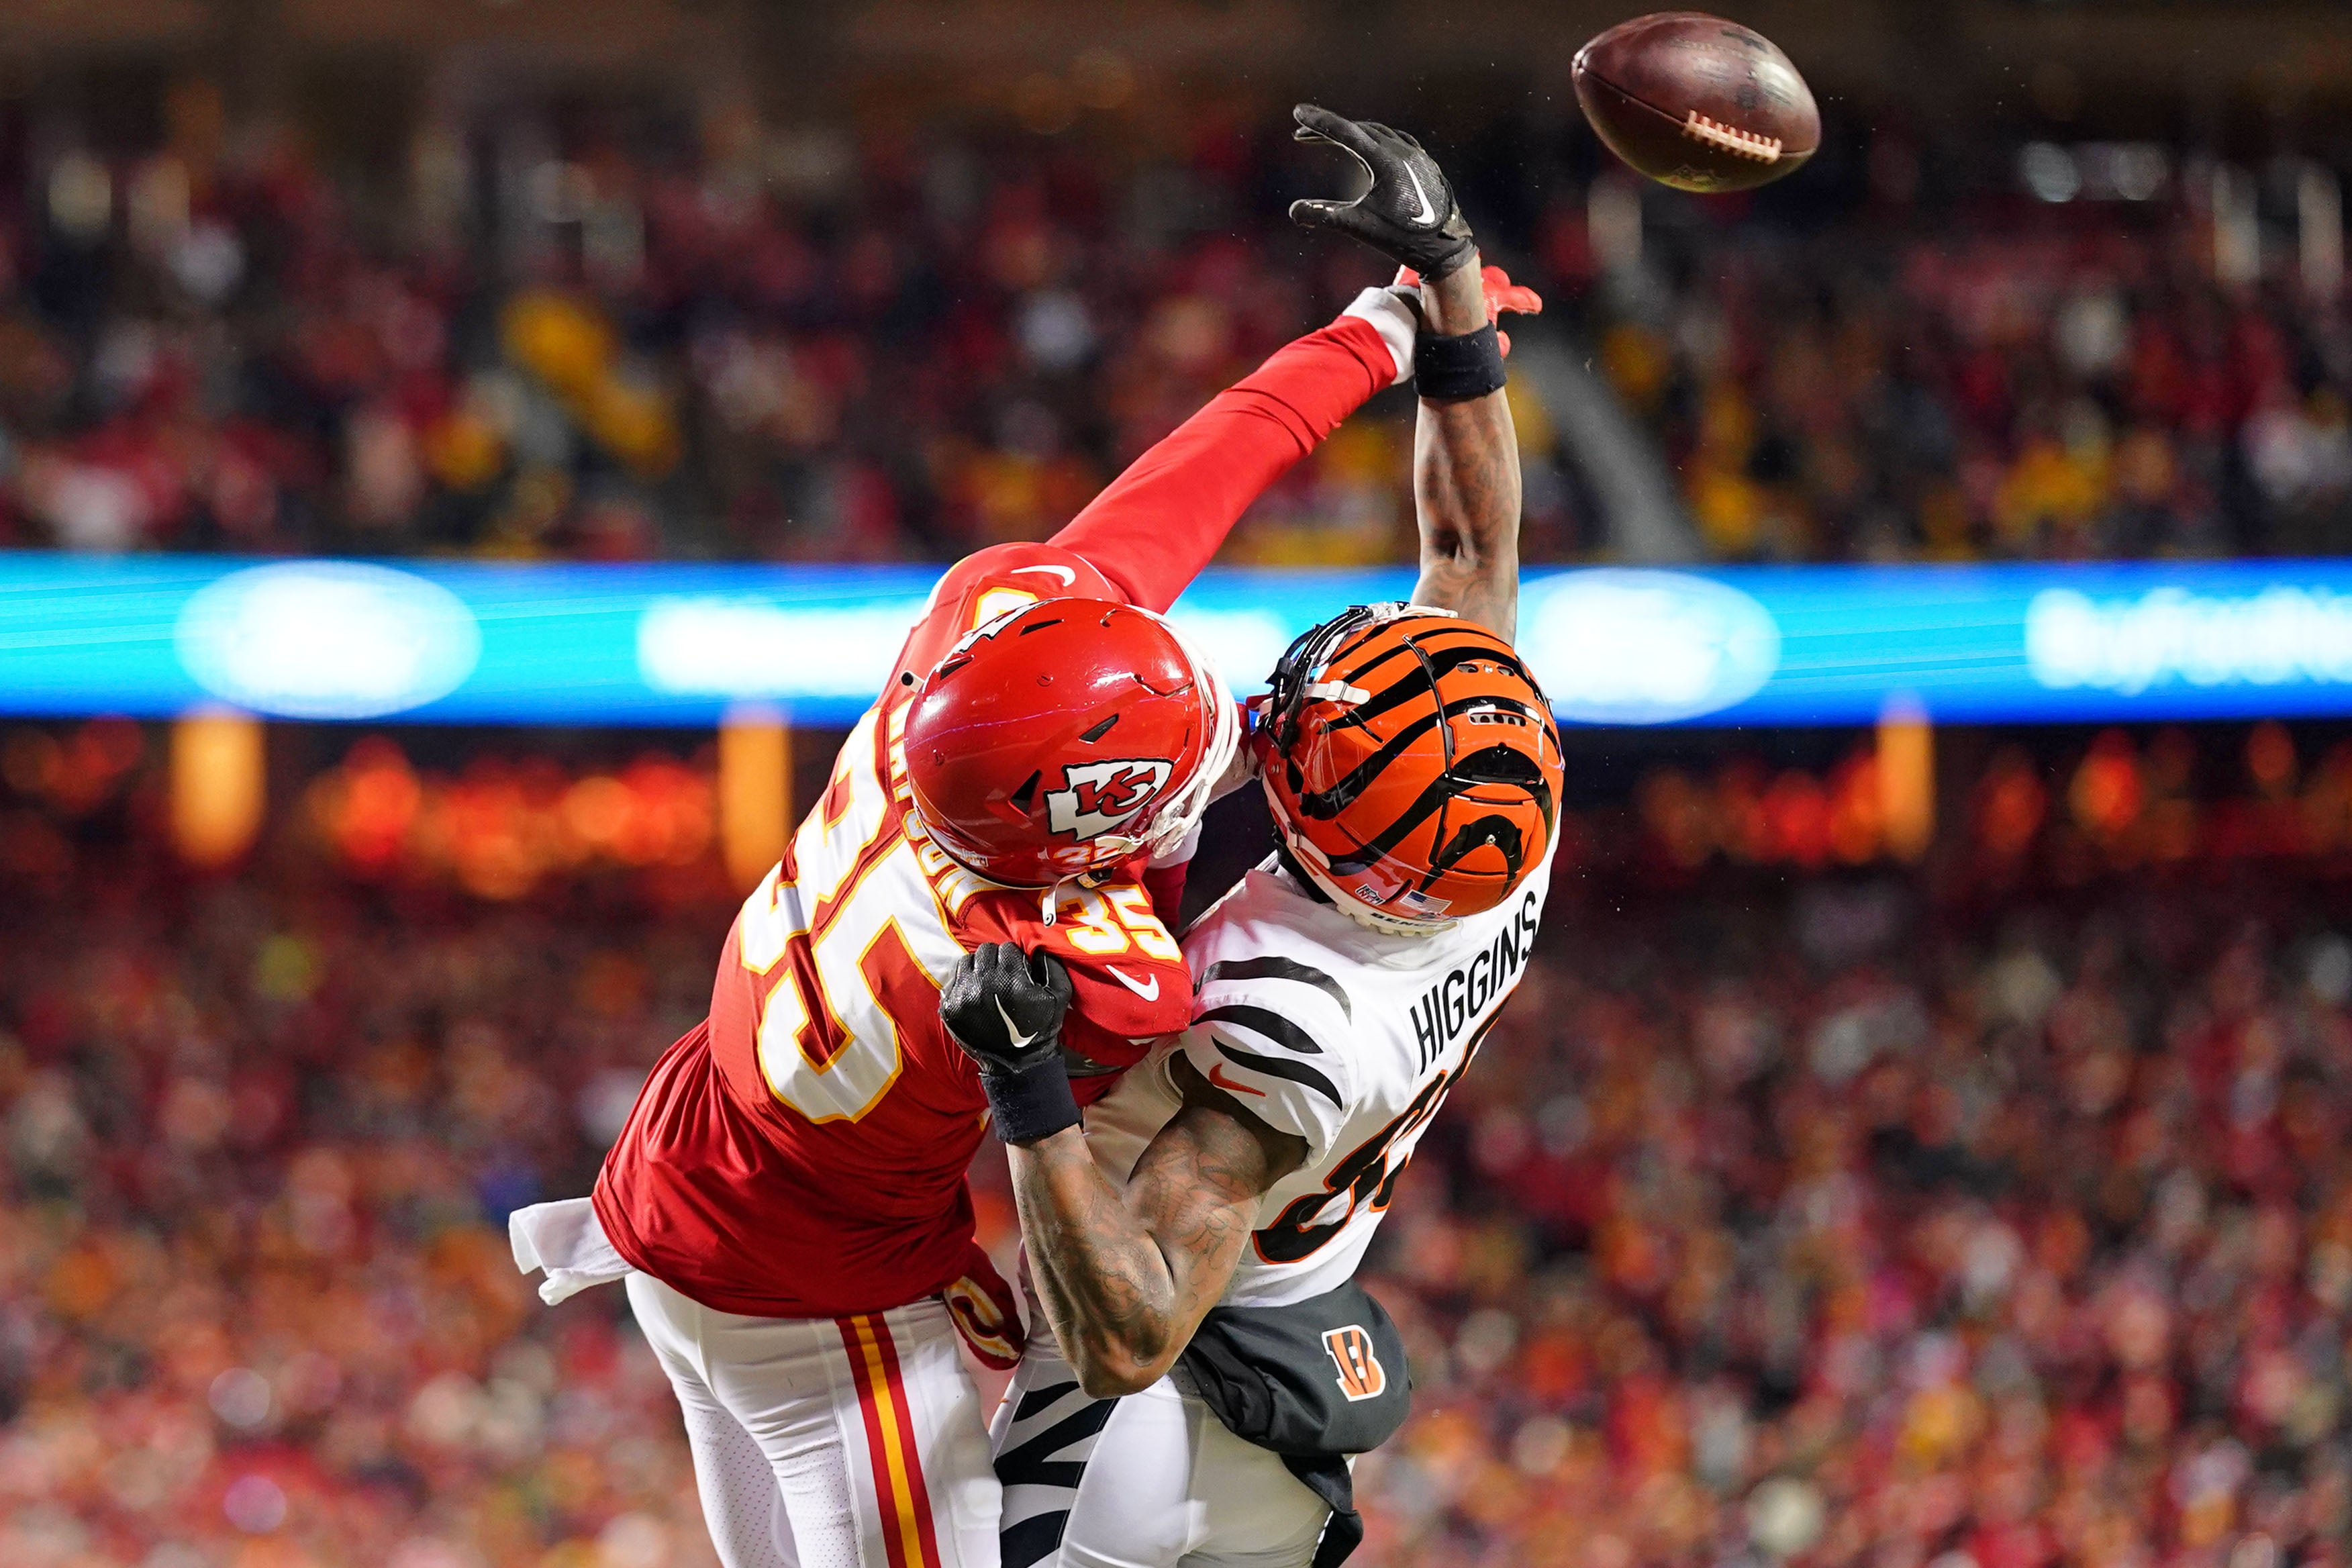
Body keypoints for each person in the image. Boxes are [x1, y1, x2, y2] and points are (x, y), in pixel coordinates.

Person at [507, 115, 1483, 1568]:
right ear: (1080, 848)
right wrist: (1409, 332)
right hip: (817, 1302)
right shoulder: (1093, 975)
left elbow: (1171, 498)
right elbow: (1099, 1216)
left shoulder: (969, 661)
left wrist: (1373, 336)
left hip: (676, 1179)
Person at [938, 107, 1563, 1568]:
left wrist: (1026, 1085)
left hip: (1168, 1419)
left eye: (1304, 751)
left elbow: (1131, 1331)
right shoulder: (1494, 806)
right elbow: (1472, 555)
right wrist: (1452, 291)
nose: (1281, 723)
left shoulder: (1288, 1009)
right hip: (1299, 1341)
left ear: (1331, 842)